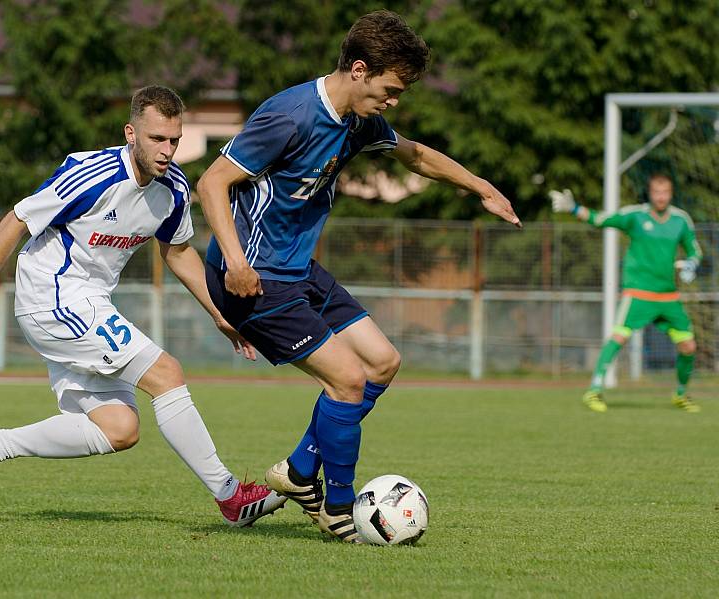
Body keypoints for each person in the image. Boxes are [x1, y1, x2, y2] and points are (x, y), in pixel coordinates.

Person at [197, 11, 520, 542]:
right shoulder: (291, 115)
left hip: (297, 270)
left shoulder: (359, 121)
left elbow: (415, 155)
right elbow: (213, 183)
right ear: (360, 70)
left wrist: (479, 186)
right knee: (347, 380)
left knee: (383, 362)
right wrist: (234, 261)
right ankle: (338, 509)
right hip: (251, 278)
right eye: (391, 89)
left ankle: (302, 469)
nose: (394, 101)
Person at [0, 85, 286, 525]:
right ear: (131, 133)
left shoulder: (174, 189)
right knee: (167, 373)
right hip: (53, 295)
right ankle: (231, 496)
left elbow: (177, 252)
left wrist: (220, 313)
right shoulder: (92, 173)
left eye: (175, 140)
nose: (167, 150)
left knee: (120, 429)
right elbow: (17, 220)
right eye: (157, 138)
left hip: (87, 301)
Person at [550, 173, 703, 412]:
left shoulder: (681, 220)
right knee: (618, 338)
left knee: (689, 347)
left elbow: (695, 250)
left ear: (671, 194)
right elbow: (601, 219)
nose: (661, 197)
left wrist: (692, 264)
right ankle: (594, 391)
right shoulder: (636, 216)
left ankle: (681, 394)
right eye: (656, 192)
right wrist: (574, 208)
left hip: (668, 297)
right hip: (639, 293)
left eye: (665, 192)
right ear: (650, 194)